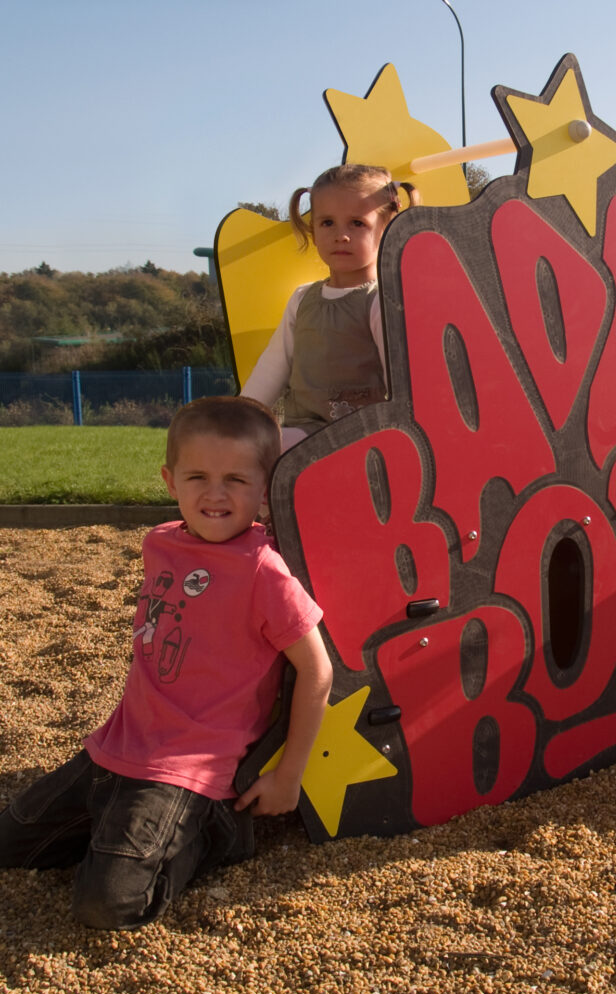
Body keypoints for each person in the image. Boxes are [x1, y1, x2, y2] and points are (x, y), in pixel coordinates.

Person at [0, 396, 333, 928]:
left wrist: (288, 775)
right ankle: (119, 826)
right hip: (115, 748)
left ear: (265, 490)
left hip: (189, 769)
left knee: (107, 905)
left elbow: (318, 671)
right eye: (197, 476)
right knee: (9, 845)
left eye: (236, 480)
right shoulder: (160, 543)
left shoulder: (262, 571)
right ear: (169, 480)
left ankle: (211, 830)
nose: (215, 493)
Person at [241, 163, 419, 450]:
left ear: (387, 228)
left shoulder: (379, 301)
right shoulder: (302, 299)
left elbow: (403, 385)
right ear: (312, 229)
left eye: (357, 223)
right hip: (302, 430)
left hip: (357, 438)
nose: (341, 235)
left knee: (267, 451)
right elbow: (273, 367)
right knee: (236, 445)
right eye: (327, 223)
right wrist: (239, 419)